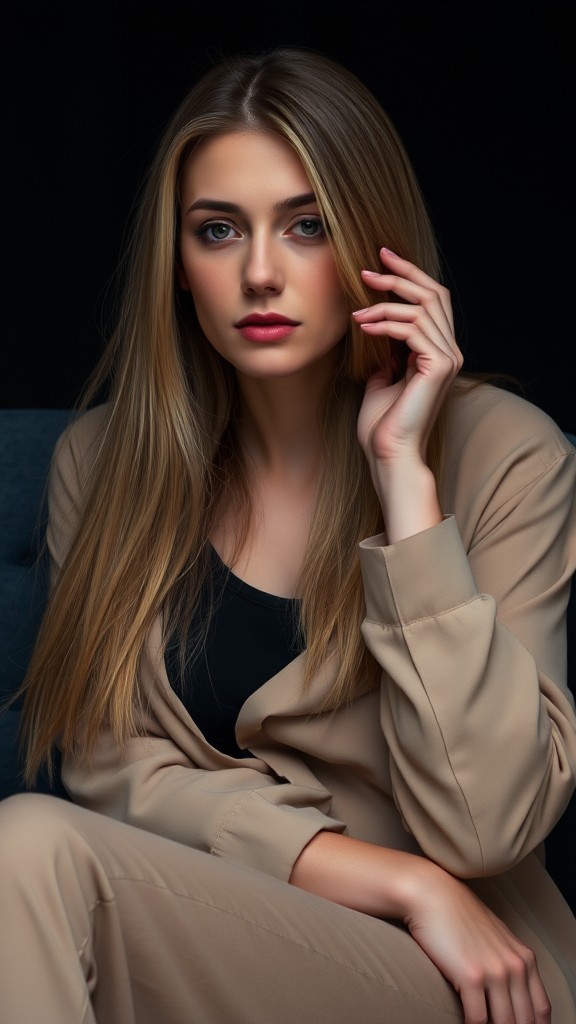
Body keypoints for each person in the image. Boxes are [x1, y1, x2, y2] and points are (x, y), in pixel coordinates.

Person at [1, 44, 575, 1024]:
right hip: (229, 925)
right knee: (30, 847)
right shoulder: (104, 462)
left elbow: (486, 828)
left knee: (28, 849)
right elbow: (107, 766)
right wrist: (395, 879)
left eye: (306, 225)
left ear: (374, 240)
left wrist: (405, 478)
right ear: (178, 267)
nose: (260, 273)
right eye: (218, 230)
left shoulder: (503, 453)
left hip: (463, 973)